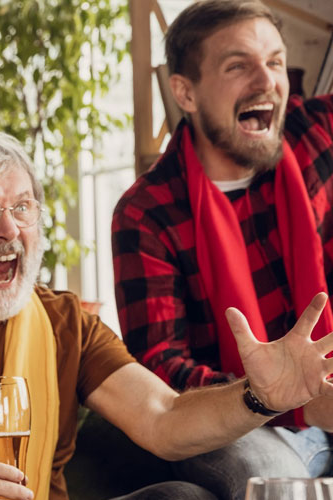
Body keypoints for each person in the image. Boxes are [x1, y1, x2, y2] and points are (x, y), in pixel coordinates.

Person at [0, 132, 333, 500]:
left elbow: (164, 419)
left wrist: (260, 396)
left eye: (23, 208)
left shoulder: (64, 322)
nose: (10, 230)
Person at [112, 0, 333, 496]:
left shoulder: (319, 134)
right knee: (261, 477)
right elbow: (162, 371)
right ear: (185, 92)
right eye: (239, 66)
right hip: (254, 419)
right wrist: (298, 399)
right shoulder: (146, 212)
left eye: (275, 61)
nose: (266, 81)